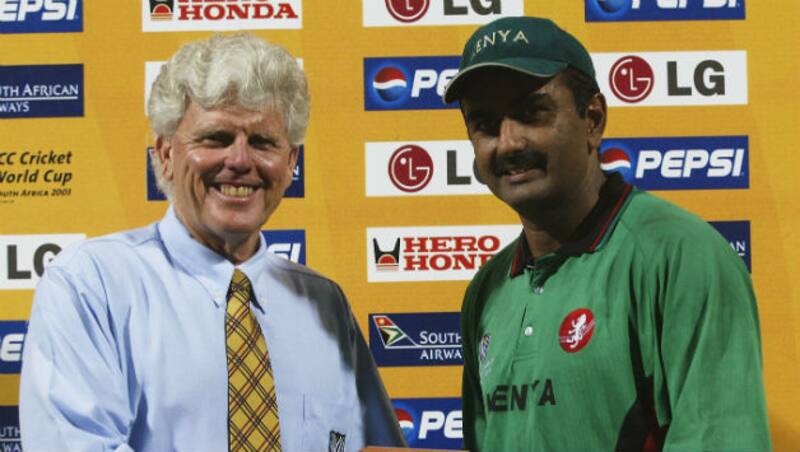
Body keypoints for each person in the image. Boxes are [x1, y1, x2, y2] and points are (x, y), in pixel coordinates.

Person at [19, 33, 404, 452]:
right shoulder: (91, 285)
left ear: (291, 162)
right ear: (165, 154)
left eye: (263, 142)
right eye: (216, 138)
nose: (239, 161)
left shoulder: (325, 304)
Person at [443, 16, 771, 451]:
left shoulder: (680, 255)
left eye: (530, 113)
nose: (508, 142)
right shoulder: (487, 289)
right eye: (484, 123)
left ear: (593, 119)